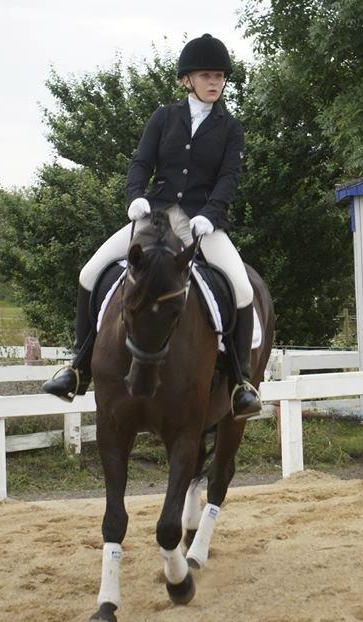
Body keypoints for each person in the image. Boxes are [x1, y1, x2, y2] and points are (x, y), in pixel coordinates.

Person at [43, 34, 261, 418]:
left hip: (201, 225)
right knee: (90, 272)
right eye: (207, 75)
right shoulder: (164, 117)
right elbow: (141, 162)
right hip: (155, 219)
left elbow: (229, 178)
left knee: (242, 289)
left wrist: (210, 215)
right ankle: (77, 368)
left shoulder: (231, 128)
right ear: (186, 80)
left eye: (220, 77)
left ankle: (241, 383)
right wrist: (134, 196)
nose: (215, 83)